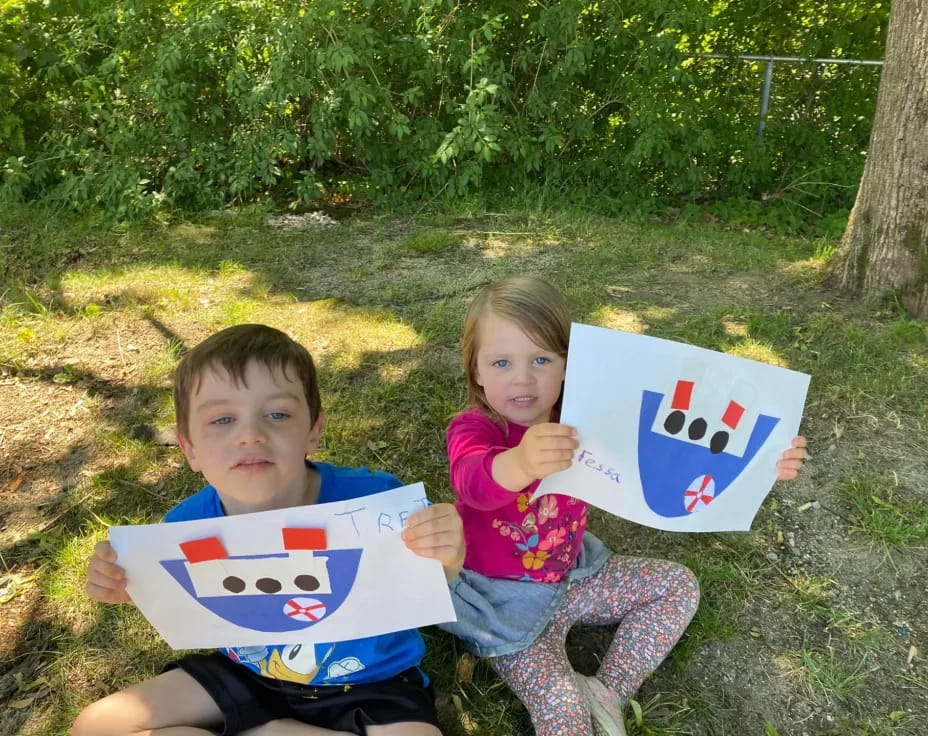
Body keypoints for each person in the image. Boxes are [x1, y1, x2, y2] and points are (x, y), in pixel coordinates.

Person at [440, 277, 808, 736]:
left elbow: (675, 446)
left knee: (677, 587)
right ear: (475, 371)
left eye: (541, 359)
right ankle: (578, 702)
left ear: (568, 364)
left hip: (575, 574)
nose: (522, 378)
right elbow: (472, 482)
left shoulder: (586, 415)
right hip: (504, 599)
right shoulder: (475, 428)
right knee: (560, 706)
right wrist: (520, 462)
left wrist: (762, 459)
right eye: (500, 362)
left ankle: (608, 691)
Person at [72, 324, 465, 736]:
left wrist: (448, 555)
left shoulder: (372, 501)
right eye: (222, 419)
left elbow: (430, 578)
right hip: (247, 674)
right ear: (189, 449)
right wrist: (130, 587)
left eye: (277, 414)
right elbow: (181, 600)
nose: (250, 435)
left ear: (313, 429)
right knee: (95, 726)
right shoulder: (185, 528)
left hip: (370, 683)